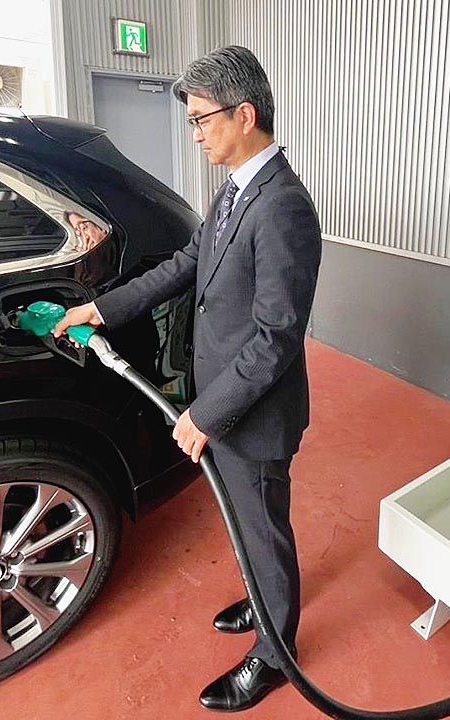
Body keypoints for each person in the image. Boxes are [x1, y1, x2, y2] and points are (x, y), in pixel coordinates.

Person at [54, 45, 322, 712]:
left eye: (202, 119)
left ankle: (275, 654)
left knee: (262, 525)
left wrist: (206, 412)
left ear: (244, 115)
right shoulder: (234, 190)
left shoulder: (283, 207)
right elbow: (184, 265)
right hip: (226, 396)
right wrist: (101, 308)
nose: (196, 133)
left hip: (254, 409)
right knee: (244, 518)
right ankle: (261, 600)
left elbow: (277, 338)